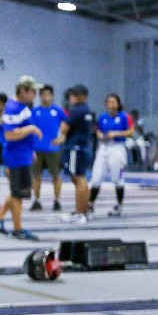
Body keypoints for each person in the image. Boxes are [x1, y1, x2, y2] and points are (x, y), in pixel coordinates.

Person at [0, 76, 42, 240]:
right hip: (16, 156)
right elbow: (10, 134)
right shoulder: (13, 108)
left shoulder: (23, 106)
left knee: (17, 191)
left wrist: (31, 150)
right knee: (18, 194)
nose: (35, 94)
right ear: (23, 90)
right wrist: (31, 129)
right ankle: (18, 228)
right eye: (32, 91)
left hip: (23, 154)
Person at [88, 94, 133, 216]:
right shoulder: (103, 117)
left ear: (118, 103)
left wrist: (116, 133)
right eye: (109, 102)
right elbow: (98, 129)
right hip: (103, 147)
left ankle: (119, 205)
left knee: (118, 177)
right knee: (96, 176)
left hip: (117, 148)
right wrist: (99, 135)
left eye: (113, 102)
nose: (111, 105)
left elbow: (130, 131)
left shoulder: (124, 116)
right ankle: (90, 204)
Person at [55, 84, 94, 223]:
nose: (71, 98)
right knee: (81, 179)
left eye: (74, 95)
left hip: (76, 148)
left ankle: (79, 212)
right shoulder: (87, 110)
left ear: (81, 96)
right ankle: (84, 210)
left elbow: (64, 127)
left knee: (78, 179)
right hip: (84, 147)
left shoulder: (77, 110)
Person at [30, 85, 67, 212]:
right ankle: (36, 200)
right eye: (43, 94)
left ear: (52, 96)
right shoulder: (34, 112)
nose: (46, 97)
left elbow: (67, 126)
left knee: (55, 175)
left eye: (48, 94)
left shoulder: (58, 111)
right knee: (36, 175)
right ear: (40, 96)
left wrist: (62, 138)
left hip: (53, 148)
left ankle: (57, 200)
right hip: (37, 148)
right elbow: (30, 130)